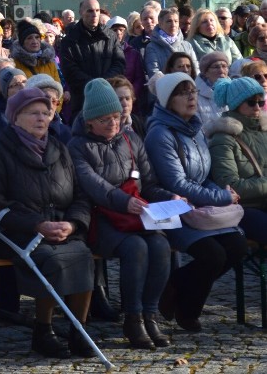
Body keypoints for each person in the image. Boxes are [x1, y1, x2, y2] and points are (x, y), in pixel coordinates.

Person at [0, 87, 94, 359]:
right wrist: (37, 225)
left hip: (62, 229)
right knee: (53, 261)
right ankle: (43, 331)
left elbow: (79, 196)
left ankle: (79, 331)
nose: (42, 118)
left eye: (46, 112)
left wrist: (74, 224)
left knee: (84, 255)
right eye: (33, 113)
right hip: (19, 232)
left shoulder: (60, 149)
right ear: (15, 117)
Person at [68, 79, 175, 350]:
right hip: (100, 216)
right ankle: (133, 317)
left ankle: (150, 314)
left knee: (161, 245)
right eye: (105, 119)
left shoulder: (130, 139)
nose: (113, 123)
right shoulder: (78, 146)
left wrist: (169, 198)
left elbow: (148, 183)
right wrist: (124, 201)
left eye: (116, 117)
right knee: (136, 247)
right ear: (89, 121)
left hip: (135, 212)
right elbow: (92, 185)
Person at [144, 72, 248, 332]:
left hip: (199, 205)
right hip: (173, 208)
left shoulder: (195, 128)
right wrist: (222, 197)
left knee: (237, 246)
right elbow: (177, 184)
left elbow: (204, 174)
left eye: (192, 90)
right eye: (182, 92)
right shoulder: (160, 133)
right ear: (168, 100)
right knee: (212, 255)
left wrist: (220, 191)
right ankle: (187, 308)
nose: (191, 96)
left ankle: (177, 287)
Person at [208, 76, 267, 243]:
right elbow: (230, 186)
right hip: (244, 208)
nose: (257, 107)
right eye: (251, 102)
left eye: (260, 102)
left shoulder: (264, 130)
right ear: (235, 105)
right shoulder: (223, 138)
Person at [59, 0, 125, 113]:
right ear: (81, 13)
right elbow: (70, 70)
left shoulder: (110, 36)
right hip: (82, 101)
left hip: (109, 96)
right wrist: (93, 86)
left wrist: (104, 84)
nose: (94, 14)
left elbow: (119, 63)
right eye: (90, 11)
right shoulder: (70, 40)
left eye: (97, 10)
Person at [144, 8, 199, 79]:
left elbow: (195, 68)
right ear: (160, 24)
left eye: (176, 21)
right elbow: (154, 73)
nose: (173, 24)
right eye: (169, 21)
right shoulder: (152, 47)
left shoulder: (187, 45)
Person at [107, 16, 146, 105]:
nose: (118, 33)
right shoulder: (103, 53)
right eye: (115, 30)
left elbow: (139, 78)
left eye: (121, 30)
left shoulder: (133, 53)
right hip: (110, 100)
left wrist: (130, 94)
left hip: (129, 101)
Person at [11, 20, 62, 85]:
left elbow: (58, 88)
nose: (34, 41)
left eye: (37, 37)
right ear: (22, 42)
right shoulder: (15, 64)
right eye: (29, 38)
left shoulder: (49, 61)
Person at [0, 67, 27, 136]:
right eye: (16, 85)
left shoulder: (36, 108)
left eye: (24, 82)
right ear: (6, 92)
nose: (23, 87)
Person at [195, 51, 230, 126]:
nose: (221, 71)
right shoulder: (195, 97)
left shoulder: (236, 90)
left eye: (224, 66)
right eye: (216, 67)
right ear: (206, 73)